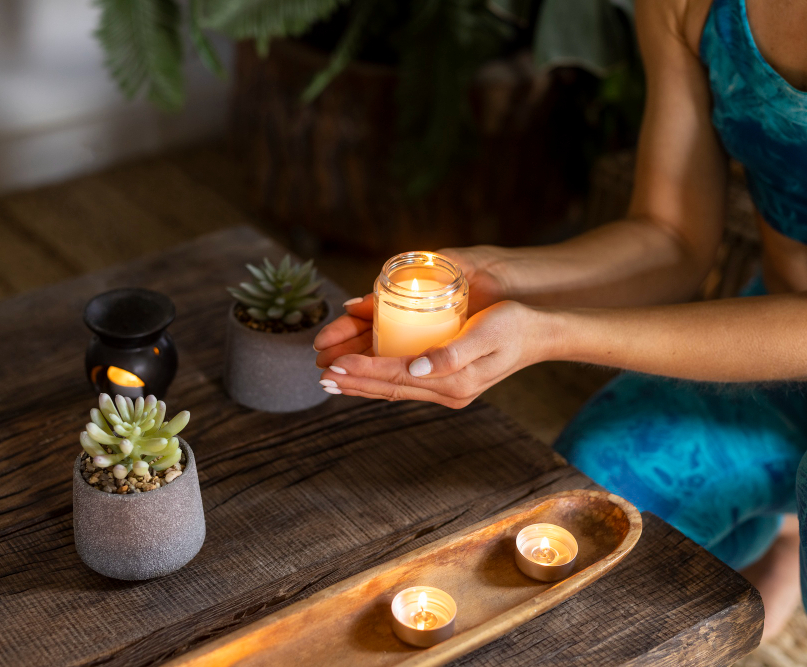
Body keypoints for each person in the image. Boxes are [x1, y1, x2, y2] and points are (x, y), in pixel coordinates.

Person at [313, 0, 807, 641]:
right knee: (584, 523)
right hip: (762, 355)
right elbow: (671, 235)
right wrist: (496, 277)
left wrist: (552, 333)